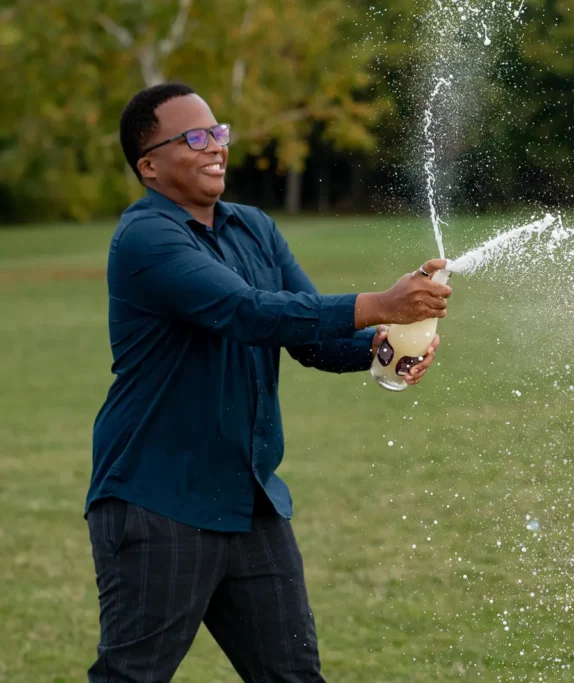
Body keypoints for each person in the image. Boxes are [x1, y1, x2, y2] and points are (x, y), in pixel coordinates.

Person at [84, 82, 453, 682]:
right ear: (149, 166)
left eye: (218, 133)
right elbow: (248, 313)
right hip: (158, 501)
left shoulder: (252, 228)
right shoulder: (146, 239)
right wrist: (380, 302)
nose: (215, 147)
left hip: (250, 504)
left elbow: (308, 335)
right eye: (193, 138)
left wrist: (381, 350)